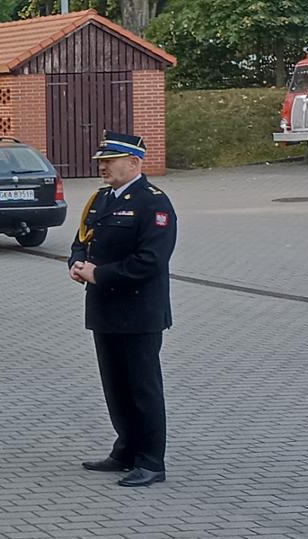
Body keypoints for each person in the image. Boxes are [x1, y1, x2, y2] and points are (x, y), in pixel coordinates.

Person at [68, 131, 176, 488]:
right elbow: (82, 240)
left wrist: (99, 274)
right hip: (105, 310)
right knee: (115, 387)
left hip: (139, 311)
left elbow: (151, 260)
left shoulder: (153, 203)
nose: (102, 168)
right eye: (101, 162)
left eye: (109, 161)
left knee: (142, 388)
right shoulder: (100, 200)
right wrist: (76, 263)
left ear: (133, 163)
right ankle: (126, 450)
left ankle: (151, 461)